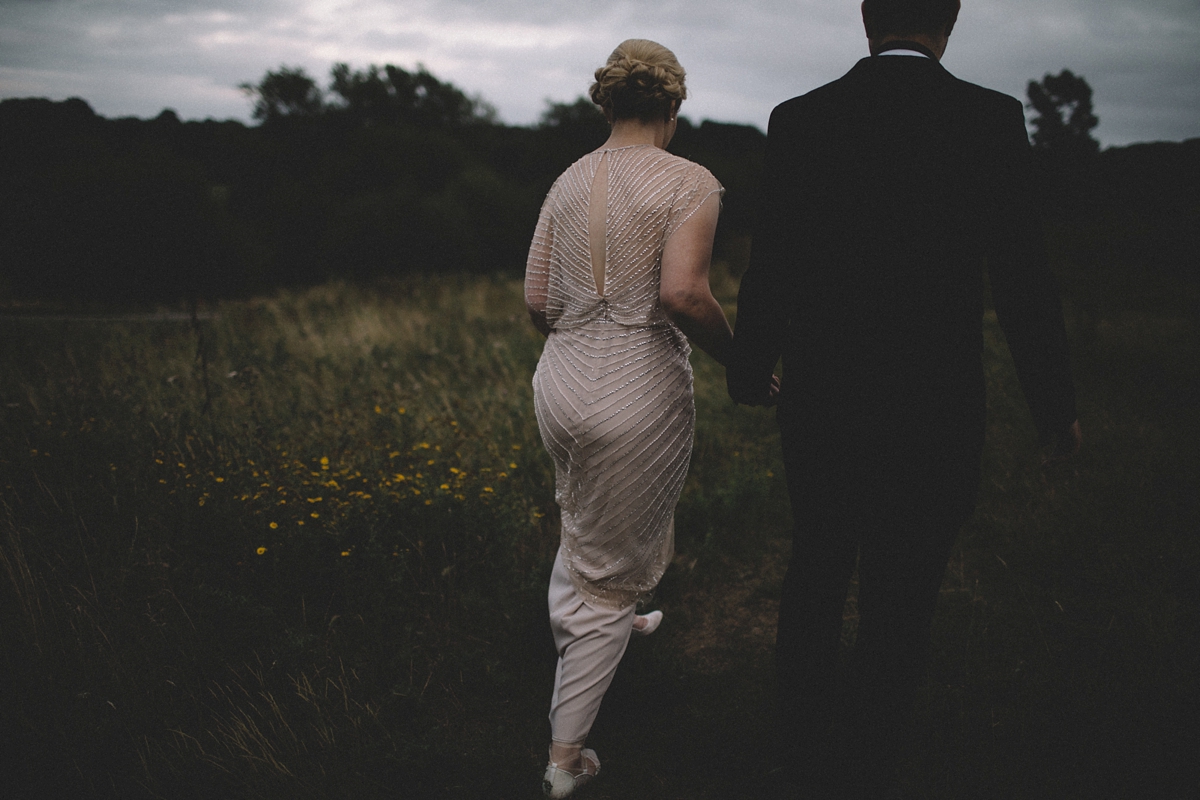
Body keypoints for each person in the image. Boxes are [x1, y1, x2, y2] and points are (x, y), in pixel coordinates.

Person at [726, 0, 1082, 795]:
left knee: (818, 563)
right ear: (948, 22)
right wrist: (1054, 406)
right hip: (937, 399)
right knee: (905, 582)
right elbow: (1024, 276)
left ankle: (800, 749)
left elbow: (771, 262)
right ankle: (871, 755)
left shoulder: (801, 118)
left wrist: (750, 370)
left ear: (865, 18)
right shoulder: (989, 120)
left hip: (824, 394)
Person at [526, 39, 764, 799]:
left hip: (560, 382)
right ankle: (566, 759)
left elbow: (537, 301)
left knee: (585, 513)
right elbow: (684, 295)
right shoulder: (689, 181)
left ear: (607, 102)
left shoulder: (566, 179)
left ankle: (612, 619)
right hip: (635, 384)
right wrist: (745, 362)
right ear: (672, 105)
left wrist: (581, 335)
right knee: (608, 574)